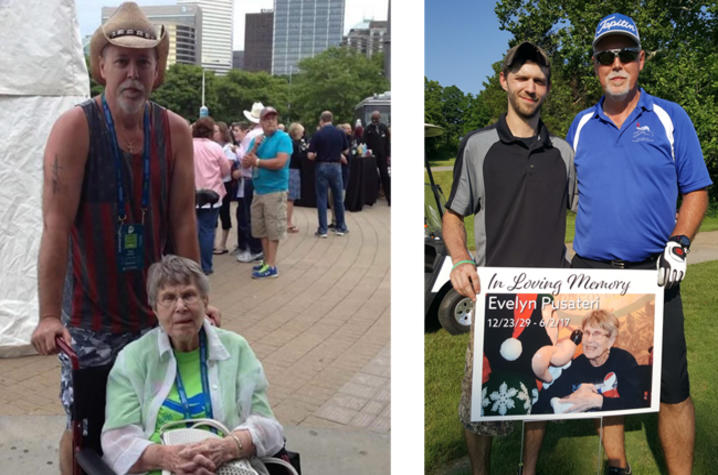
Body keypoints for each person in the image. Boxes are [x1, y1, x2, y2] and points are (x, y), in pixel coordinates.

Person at [29, 3, 218, 474]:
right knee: (85, 427)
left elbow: (181, 223)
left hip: (153, 313)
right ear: (101, 68)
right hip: (89, 320)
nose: (133, 73)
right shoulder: (77, 127)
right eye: (122, 61)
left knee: (150, 421)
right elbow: (54, 226)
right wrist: (49, 315)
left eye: (144, 62)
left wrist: (196, 298)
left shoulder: (173, 130)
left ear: (157, 72)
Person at [554, 13, 712, 475]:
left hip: (654, 271)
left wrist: (679, 243)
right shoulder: (580, 125)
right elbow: (556, 195)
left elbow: (697, 188)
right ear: (596, 65)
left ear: (641, 60)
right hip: (594, 272)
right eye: (606, 56)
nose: (616, 63)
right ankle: (617, 465)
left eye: (625, 54)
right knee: (607, 376)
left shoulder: (669, 117)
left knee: (673, 387)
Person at [441, 41, 575, 475]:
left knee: (538, 391)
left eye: (539, 80)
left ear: (547, 89)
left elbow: (584, 211)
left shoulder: (563, 152)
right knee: (481, 399)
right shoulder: (478, 145)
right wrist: (461, 260)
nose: (530, 87)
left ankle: (528, 469)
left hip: (550, 295)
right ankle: (481, 471)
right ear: (505, 81)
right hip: (495, 295)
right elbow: (452, 215)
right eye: (522, 78)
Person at [101, 255, 284, 474]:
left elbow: (269, 427)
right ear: (155, 309)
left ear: (205, 301)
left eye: (189, 295)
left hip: (225, 468)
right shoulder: (133, 359)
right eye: (168, 298)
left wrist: (227, 447)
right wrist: (168, 458)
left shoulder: (236, 349)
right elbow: (116, 442)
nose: (180, 307)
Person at [533, 310, 641, 414]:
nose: (589, 340)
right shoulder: (577, 365)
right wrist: (570, 397)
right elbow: (542, 404)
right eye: (586, 333)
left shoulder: (623, 360)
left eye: (597, 334)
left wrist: (598, 401)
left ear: (611, 341)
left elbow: (635, 403)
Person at [240, 106, 293, 279]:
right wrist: (254, 148)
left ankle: (271, 265)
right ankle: (266, 262)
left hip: (275, 191)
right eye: (267, 119)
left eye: (273, 118)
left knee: (273, 229)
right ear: (261, 122)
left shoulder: (283, 138)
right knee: (261, 229)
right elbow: (246, 163)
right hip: (259, 189)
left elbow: (280, 162)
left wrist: (258, 161)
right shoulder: (258, 139)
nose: (270, 121)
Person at [192, 116, 231, 275]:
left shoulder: (187, 145)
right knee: (207, 231)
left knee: (190, 230)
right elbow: (226, 170)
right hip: (212, 195)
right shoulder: (216, 148)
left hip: (190, 194)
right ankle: (206, 266)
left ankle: (191, 265)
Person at [307, 110, 349, 237]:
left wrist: (316, 155)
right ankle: (341, 227)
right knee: (338, 198)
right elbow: (346, 150)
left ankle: (323, 229)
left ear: (321, 120)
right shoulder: (340, 133)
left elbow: (310, 155)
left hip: (321, 166)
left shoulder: (318, 134)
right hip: (336, 166)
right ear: (331, 119)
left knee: (321, 197)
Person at [232, 104, 265, 264]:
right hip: (262, 177)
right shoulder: (267, 134)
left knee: (249, 216)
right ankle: (259, 248)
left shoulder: (251, 135)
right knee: (258, 216)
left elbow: (244, 159)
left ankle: (254, 249)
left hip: (250, 178)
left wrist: (235, 151)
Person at [212, 121, 238, 255]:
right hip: (213, 184)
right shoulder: (211, 146)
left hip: (224, 184)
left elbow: (226, 170)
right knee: (212, 213)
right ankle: (213, 242)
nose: (213, 133)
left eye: (216, 131)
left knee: (224, 212)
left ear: (222, 133)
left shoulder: (228, 148)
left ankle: (223, 243)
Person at [363, 110, 390, 205]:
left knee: (385, 176)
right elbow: (364, 143)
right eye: (373, 119)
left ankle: (389, 198)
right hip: (372, 157)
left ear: (379, 118)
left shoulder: (384, 128)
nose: (375, 120)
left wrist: (388, 155)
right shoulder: (368, 129)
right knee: (372, 177)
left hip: (382, 156)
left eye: (377, 118)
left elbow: (387, 143)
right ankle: (371, 199)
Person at [287, 122, 306, 233]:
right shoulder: (294, 144)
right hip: (292, 171)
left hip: (290, 170)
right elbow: (298, 158)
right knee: (290, 199)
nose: (303, 134)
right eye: (301, 131)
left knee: (289, 198)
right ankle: (288, 223)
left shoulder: (292, 143)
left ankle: (286, 221)